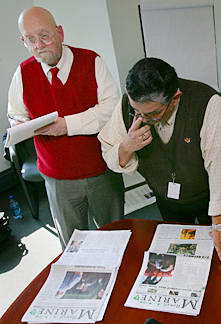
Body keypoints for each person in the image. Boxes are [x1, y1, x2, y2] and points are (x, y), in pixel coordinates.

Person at [98, 58, 221, 263]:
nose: (142, 118)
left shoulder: (210, 106)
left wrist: (219, 226)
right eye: (136, 111)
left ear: (175, 98)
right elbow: (109, 152)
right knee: (181, 255)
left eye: (152, 113)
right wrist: (127, 146)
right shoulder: (128, 106)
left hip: (209, 200)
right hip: (166, 199)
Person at [7, 7, 124, 249]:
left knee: (114, 237)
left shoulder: (91, 61)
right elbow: (15, 113)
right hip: (57, 179)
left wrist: (67, 126)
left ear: (59, 32)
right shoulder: (23, 72)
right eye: (31, 40)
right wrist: (19, 125)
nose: (39, 45)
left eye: (44, 35)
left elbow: (112, 109)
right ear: (24, 42)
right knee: (72, 246)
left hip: (100, 170)